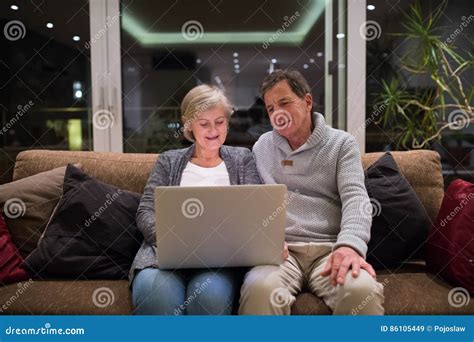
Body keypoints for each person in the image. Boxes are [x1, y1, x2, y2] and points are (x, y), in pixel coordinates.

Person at [239, 70, 384, 315]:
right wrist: (264, 239)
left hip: (330, 249)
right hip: (281, 253)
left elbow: (356, 199)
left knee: (361, 290)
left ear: (307, 102)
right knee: (259, 287)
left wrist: (350, 246)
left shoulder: (342, 143)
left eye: (285, 103)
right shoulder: (262, 146)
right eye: (271, 108)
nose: (278, 113)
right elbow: (252, 204)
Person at [130, 84, 261, 315]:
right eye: (204, 123)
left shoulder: (243, 159)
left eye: (219, 122)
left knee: (209, 297)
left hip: (219, 262)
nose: (213, 130)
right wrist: (168, 241)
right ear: (188, 124)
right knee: (155, 294)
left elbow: (255, 211)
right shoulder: (168, 161)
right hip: (163, 260)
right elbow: (145, 211)